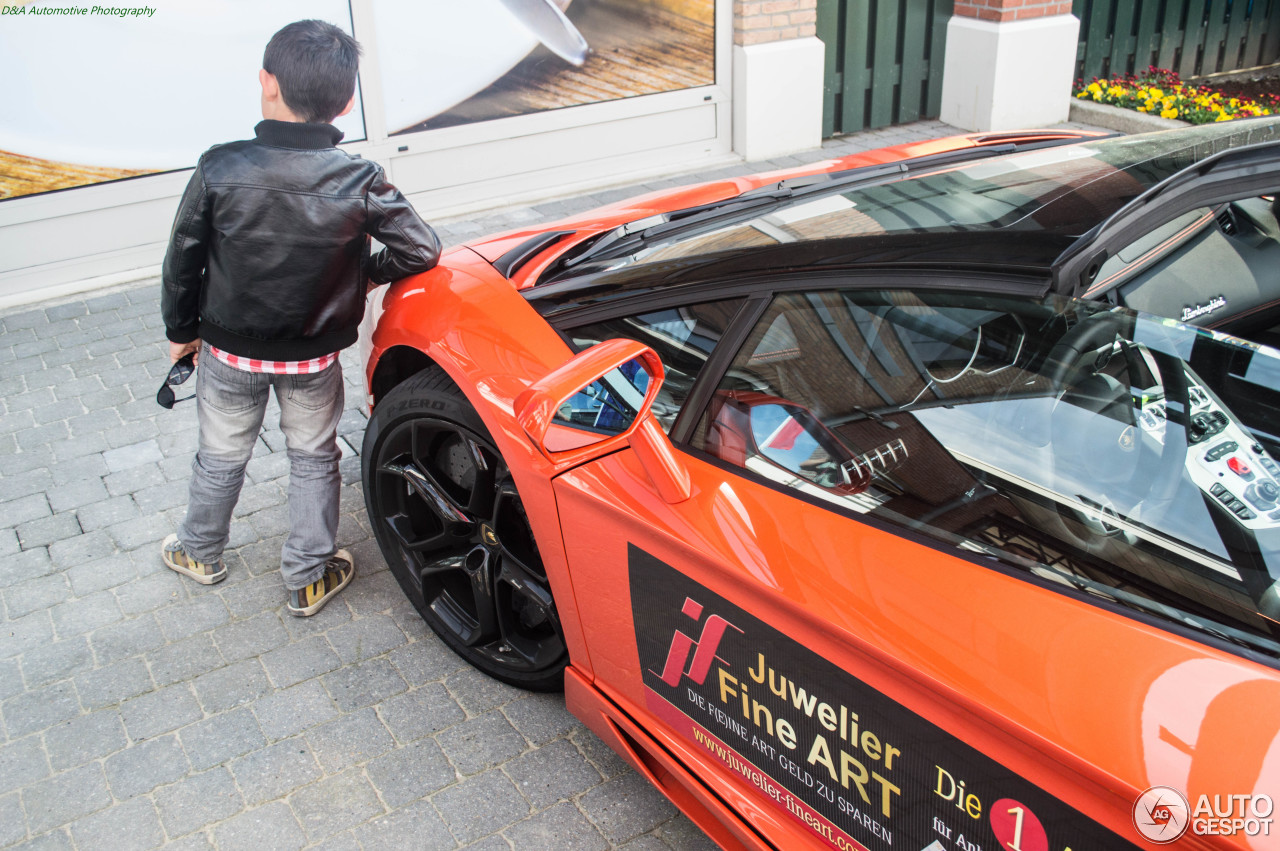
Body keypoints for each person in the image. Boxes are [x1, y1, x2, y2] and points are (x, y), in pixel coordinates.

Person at [160, 19, 440, 615]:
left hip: (228, 353)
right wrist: (362, 273)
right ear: (345, 103)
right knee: (314, 456)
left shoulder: (219, 166)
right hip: (313, 356)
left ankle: (198, 551)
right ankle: (308, 575)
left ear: (267, 83)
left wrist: (180, 333)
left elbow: (181, 261)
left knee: (220, 454)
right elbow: (422, 250)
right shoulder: (360, 178)